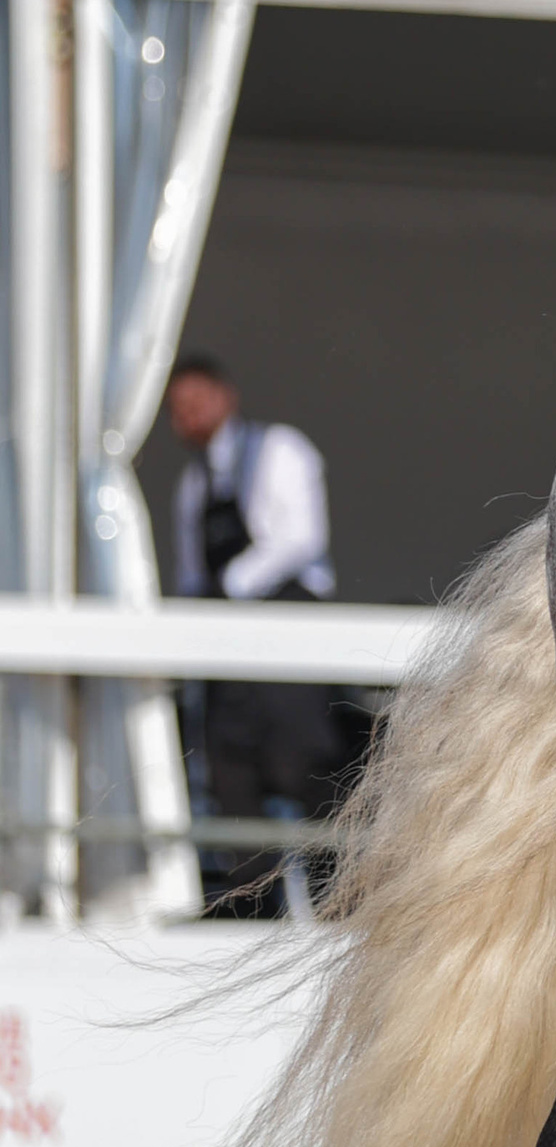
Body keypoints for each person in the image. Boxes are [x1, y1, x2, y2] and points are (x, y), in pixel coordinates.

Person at [163, 352, 346, 849]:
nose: (190, 417)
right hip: (226, 651)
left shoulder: (280, 449)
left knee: (304, 766)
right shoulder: (192, 485)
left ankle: (334, 902)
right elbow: (190, 574)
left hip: (289, 630)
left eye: (197, 402)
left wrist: (235, 586)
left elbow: (301, 538)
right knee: (229, 773)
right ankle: (250, 905)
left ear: (225, 397)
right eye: (178, 409)